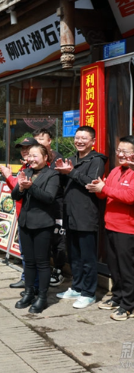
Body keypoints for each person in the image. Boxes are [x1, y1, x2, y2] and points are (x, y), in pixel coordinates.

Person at [55, 126, 106, 309]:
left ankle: (89, 293)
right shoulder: (72, 159)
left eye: (84, 138)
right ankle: (77, 287)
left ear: (93, 141)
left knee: (87, 256)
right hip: (70, 214)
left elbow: (91, 182)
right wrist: (61, 173)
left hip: (86, 215)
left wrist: (71, 172)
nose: (80, 141)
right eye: (77, 138)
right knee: (74, 255)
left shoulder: (97, 159)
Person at [86, 136, 134, 320]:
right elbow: (106, 195)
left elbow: (130, 196)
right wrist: (97, 189)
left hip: (127, 229)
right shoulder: (115, 171)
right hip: (111, 225)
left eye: (126, 151)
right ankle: (117, 297)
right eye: (119, 151)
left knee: (126, 268)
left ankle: (128, 305)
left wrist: (104, 189)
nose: (121, 154)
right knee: (114, 267)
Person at [11, 144, 60, 314]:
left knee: (42, 262)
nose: (31, 159)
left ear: (46, 157)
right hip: (25, 222)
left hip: (42, 224)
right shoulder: (28, 172)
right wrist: (21, 187)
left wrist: (30, 186)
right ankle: (29, 292)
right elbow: (15, 195)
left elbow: (49, 197)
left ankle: (43, 297)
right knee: (29, 262)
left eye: (35, 156)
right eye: (29, 156)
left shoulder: (52, 174)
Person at [0, 138, 39, 292]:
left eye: (27, 148)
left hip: (32, 216)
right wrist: (8, 177)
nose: (24, 151)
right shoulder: (24, 167)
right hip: (21, 214)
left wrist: (9, 176)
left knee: (33, 254)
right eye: (22, 148)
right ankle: (26, 279)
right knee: (25, 251)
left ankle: (33, 284)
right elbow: (16, 190)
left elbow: (22, 186)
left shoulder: (36, 169)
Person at [33, 128, 66, 287]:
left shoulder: (57, 158)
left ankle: (59, 270)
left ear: (49, 141)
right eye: (36, 139)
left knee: (58, 238)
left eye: (41, 139)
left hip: (57, 204)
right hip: (40, 204)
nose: (38, 142)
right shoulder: (33, 158)